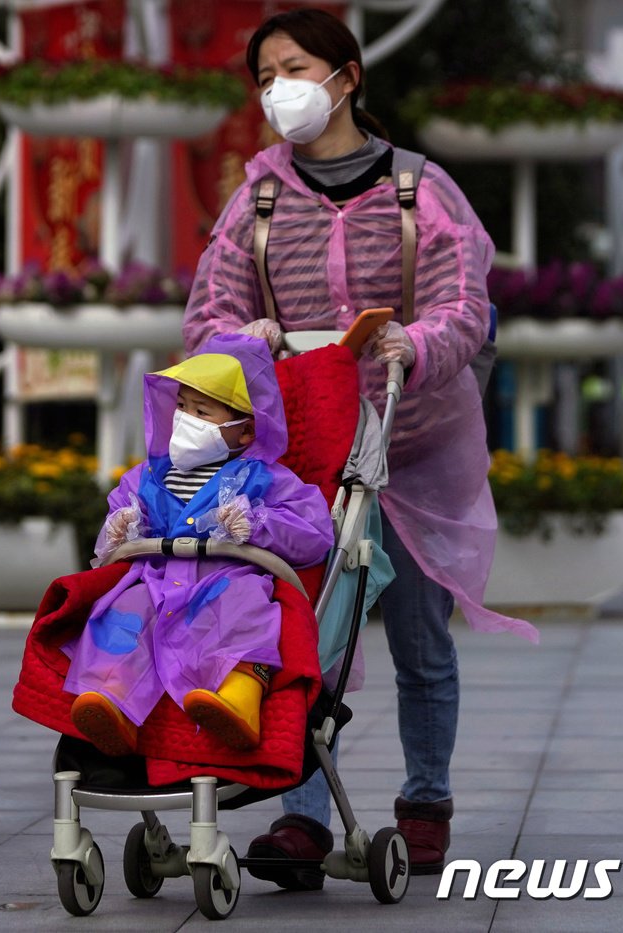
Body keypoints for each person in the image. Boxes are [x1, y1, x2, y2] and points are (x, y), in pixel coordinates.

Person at [181, 8, 537, 883]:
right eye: (264, 78)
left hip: (411, 451)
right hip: (304, 460)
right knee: (300, 637)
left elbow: (465, 301)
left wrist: (414, 344)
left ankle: (425, 804)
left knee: (421, 643)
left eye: (293, 69)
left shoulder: (423, 190)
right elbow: (207, 314)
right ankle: (301, 817)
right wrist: (245, 337)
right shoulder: (255, 198)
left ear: (346, 76)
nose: (277, 92)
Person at [62, 333, 333, 756]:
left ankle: (238, 698)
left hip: (225, 578)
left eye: (202, 412)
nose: (186, 418)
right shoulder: (146, 476)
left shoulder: (265, 478)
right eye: (183, 407)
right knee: (122, 612)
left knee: (245, 610)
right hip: (155, 579)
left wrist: (258, 522)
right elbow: (114, 526)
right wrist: (120, 528)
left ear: (243, 432)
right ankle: (110, 700)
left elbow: (315, 533)